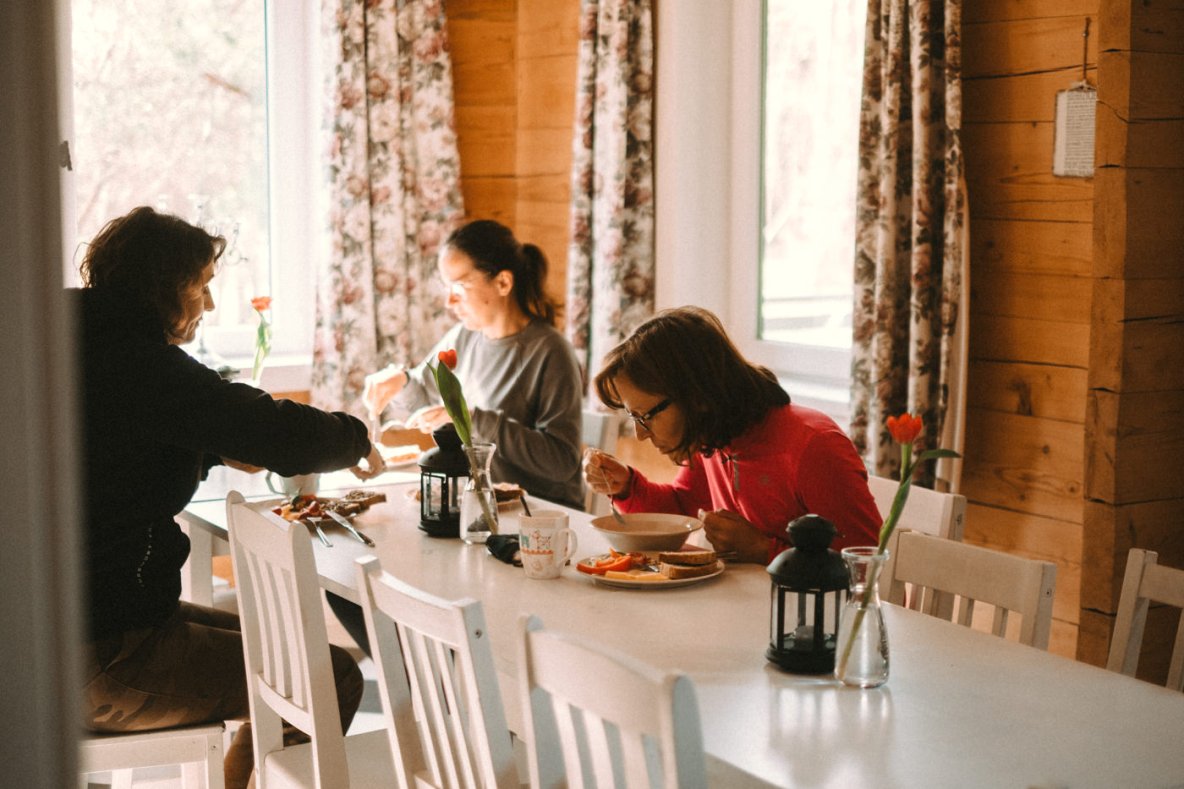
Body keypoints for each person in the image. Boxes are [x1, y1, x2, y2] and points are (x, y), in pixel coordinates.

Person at [73, 206, 384, 789]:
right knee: (331, 676)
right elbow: (278, 431)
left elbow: (115, 448)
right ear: (163, 286)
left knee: (296, 648)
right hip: (103, 657)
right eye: (202, 287)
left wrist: (212, 450)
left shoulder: (74, 337)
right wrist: (355, 437)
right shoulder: (143, 363)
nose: (210, 305)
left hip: (54, 634)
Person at [584, 306, 881, 563]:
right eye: (634, 417)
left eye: (646, 416)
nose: (640, 434)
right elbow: (682, 507)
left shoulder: (814, 447)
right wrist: (628, 487)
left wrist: (763, 549)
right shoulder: (712, 437)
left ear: (697, 396)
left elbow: (865, 569)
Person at [364, 218, 584, 509]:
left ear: (503, 283)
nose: (449, 301)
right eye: (446, 287)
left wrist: (473, 420)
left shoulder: (550, 352)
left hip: (538, 514)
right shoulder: (465, 336)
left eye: (459, 286)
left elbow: (562, 462)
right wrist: (401, 382)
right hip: (481, 507)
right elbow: (425, 398)